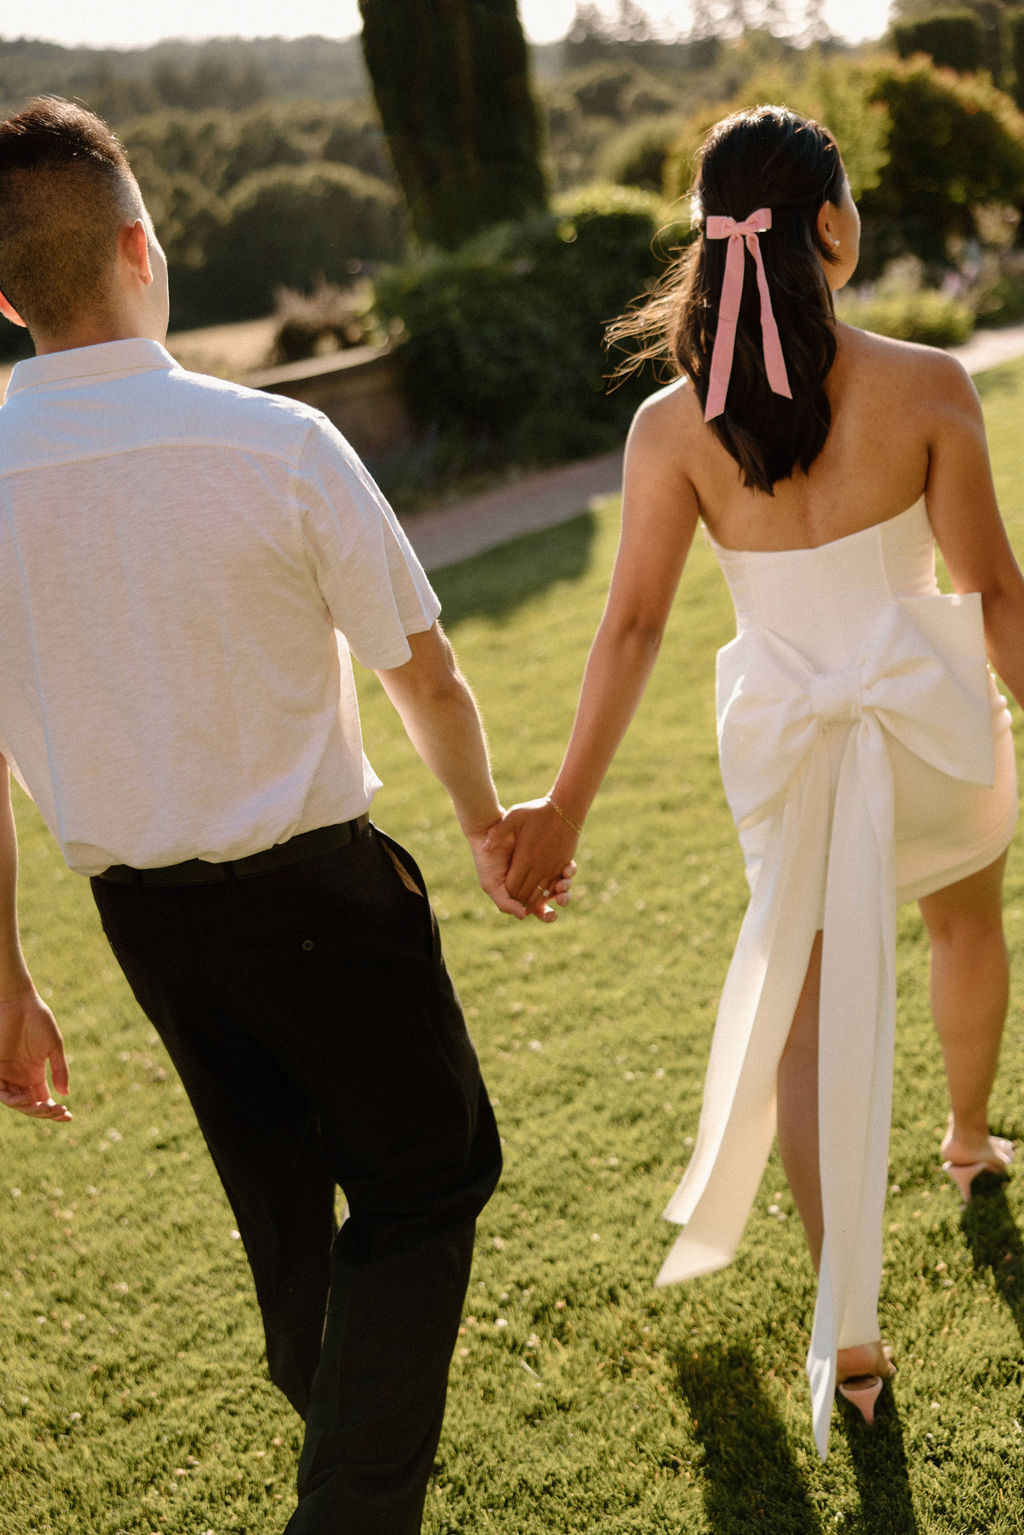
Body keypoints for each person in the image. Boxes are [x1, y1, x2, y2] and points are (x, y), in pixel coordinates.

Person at [0, 98, 571, 1534]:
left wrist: (7, 978)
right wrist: (486, 820)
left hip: (147, 926)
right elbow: (423, 675)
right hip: (321, 899)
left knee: (282, 1203)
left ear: (5, 297)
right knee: (434, 1180)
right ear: (144, 246)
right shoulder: (281, 443)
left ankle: (330, 1430)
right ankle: (351, 1510)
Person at [497, 104, 1024, 1456]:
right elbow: (996, 594)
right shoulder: (929, 385)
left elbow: (630, 632)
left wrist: (557, 814)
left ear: (709, 249)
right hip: (934, 725)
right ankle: (971, 1142)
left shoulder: (673, 429)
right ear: (833, 229)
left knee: (805, 1030)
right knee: (967, 922)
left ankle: (851, 1335)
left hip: (787, 748)